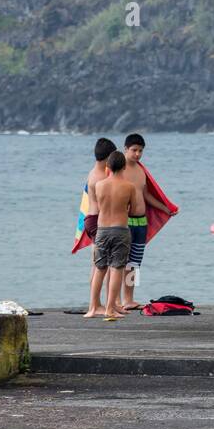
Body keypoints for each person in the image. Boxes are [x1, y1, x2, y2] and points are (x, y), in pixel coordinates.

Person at [119, 133, 176, 310]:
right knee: (119, 262)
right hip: (124, 221)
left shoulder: (141, 170)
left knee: (134, 263)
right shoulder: (117, 169)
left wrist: (164, 208)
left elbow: (146, 195)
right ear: (125, 149)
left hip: (141, 222)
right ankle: (115, 300)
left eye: (141, 151)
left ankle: (129, 299)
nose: (137, 154)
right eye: (134, 150)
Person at [92, 151, 142, 321]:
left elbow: (99, 206)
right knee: (117, 269)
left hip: (102, 230)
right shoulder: (129, 186)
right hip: (121, 230)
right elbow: (135, 210)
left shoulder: (99, 185)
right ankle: (110, 308)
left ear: (108, 167)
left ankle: (92, 307)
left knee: (99, 268)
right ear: (124, 167)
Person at [81, 137, 116, 317]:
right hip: (97, 221)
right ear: (108, 157)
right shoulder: (102, 176)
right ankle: (94, 305)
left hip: (90, 219)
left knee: (96, 264)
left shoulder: (92, 172)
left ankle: (96, 304)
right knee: (100, 265)